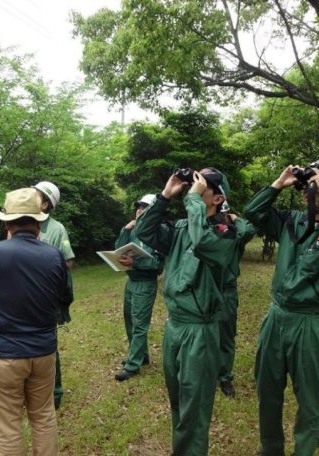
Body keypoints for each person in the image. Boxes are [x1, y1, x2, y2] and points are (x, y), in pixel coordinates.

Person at [243, 158, 319, 456]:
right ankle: (271, 448)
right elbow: (252, 213)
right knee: (267, 390)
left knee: (309, 400)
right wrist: (278, 185)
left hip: (311, 323)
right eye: (311, 180)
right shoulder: (293, 220)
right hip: (277, 316)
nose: (313, 185)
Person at [135, 167, 238, 456]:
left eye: (202, 186)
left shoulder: (225, 232)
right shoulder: (181, 228)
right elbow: (144, 231)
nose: (194, 188)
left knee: (194, 406)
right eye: (194, 182)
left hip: (200, 329)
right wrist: (166, 195)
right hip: (175, 326)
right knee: (178, 400)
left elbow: (203, 241)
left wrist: (192, 198)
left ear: (217, 199)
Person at [0, 187, 72, 456]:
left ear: (7, 223)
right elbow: (64, 294)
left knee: (8, 426)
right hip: (43, 351)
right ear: (39, 223)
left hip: (4, 353)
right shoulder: (54, 256)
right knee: (43, 416)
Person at [33, 181, 75, 410]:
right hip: (24, 297)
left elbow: (68, 261)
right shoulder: (22, 222)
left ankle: (55, 392)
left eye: (36, 195)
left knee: (48, 344)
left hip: (46, 296)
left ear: (46, 203)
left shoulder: (57, 229)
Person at [114, 193, 164, 381]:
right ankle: (141, 357)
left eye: (144, 207)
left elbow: (158, 265)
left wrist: (135, 264)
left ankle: (132, 365)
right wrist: (126, 230)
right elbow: (119, 249)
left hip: (145, 283)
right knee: (129, 320)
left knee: (140, 324)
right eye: (138, 206)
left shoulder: (157, 233)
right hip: (131, 281)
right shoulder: (133, 230)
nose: (139, 210)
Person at [217, 202, 256, 397]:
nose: (221, 217)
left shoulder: (235, 235)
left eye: (224, 213)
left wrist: (235, 218)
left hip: (226, 292)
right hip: (204, 289)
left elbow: (249, 230)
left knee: (226, 336)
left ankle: (224, 377)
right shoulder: (204, 231)